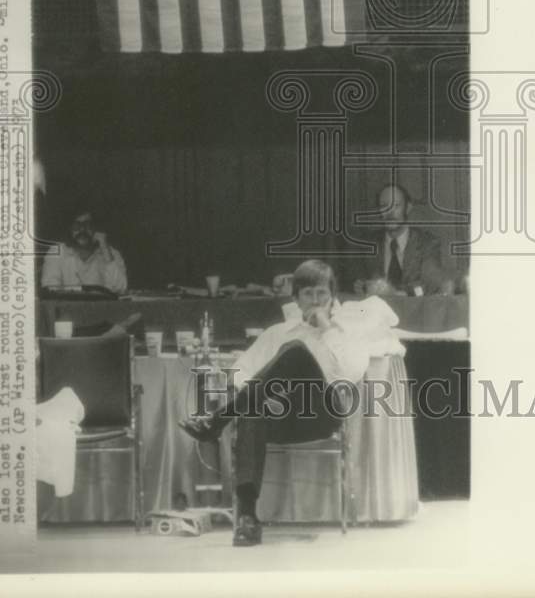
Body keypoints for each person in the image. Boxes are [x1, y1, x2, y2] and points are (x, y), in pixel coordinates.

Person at [179, 259, 403, 546]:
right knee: (253, 409)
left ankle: (217, 420)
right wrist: (262, 395)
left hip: (321, 414)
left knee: (296, 352)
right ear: (295, 299)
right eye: (307, 294)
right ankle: (248, 518)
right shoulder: (277, 333)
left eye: (322, 293)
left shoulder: (346, 332)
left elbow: (350, 373)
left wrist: (325, 328)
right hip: (280, 418)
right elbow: (240, 373)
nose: (315, 301)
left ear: (332, 296)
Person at [353, 184, 461, 296]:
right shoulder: (368, 244)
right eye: (384, 206)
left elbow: (430, 285)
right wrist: (360, 287)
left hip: (415, 310)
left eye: (396, 205)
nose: (390, 212)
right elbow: (357, 282)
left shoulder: (427, 243)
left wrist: (398, 293)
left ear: (408, 208)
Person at [41, 209, 128, 294]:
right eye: (76, 226)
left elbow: (120, 289)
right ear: (69, 229)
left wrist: (105, 249)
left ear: (96, 228)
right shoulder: (57, 252)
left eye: (87, 225)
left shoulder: (110, 253)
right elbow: (50, 289)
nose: (82, 230)